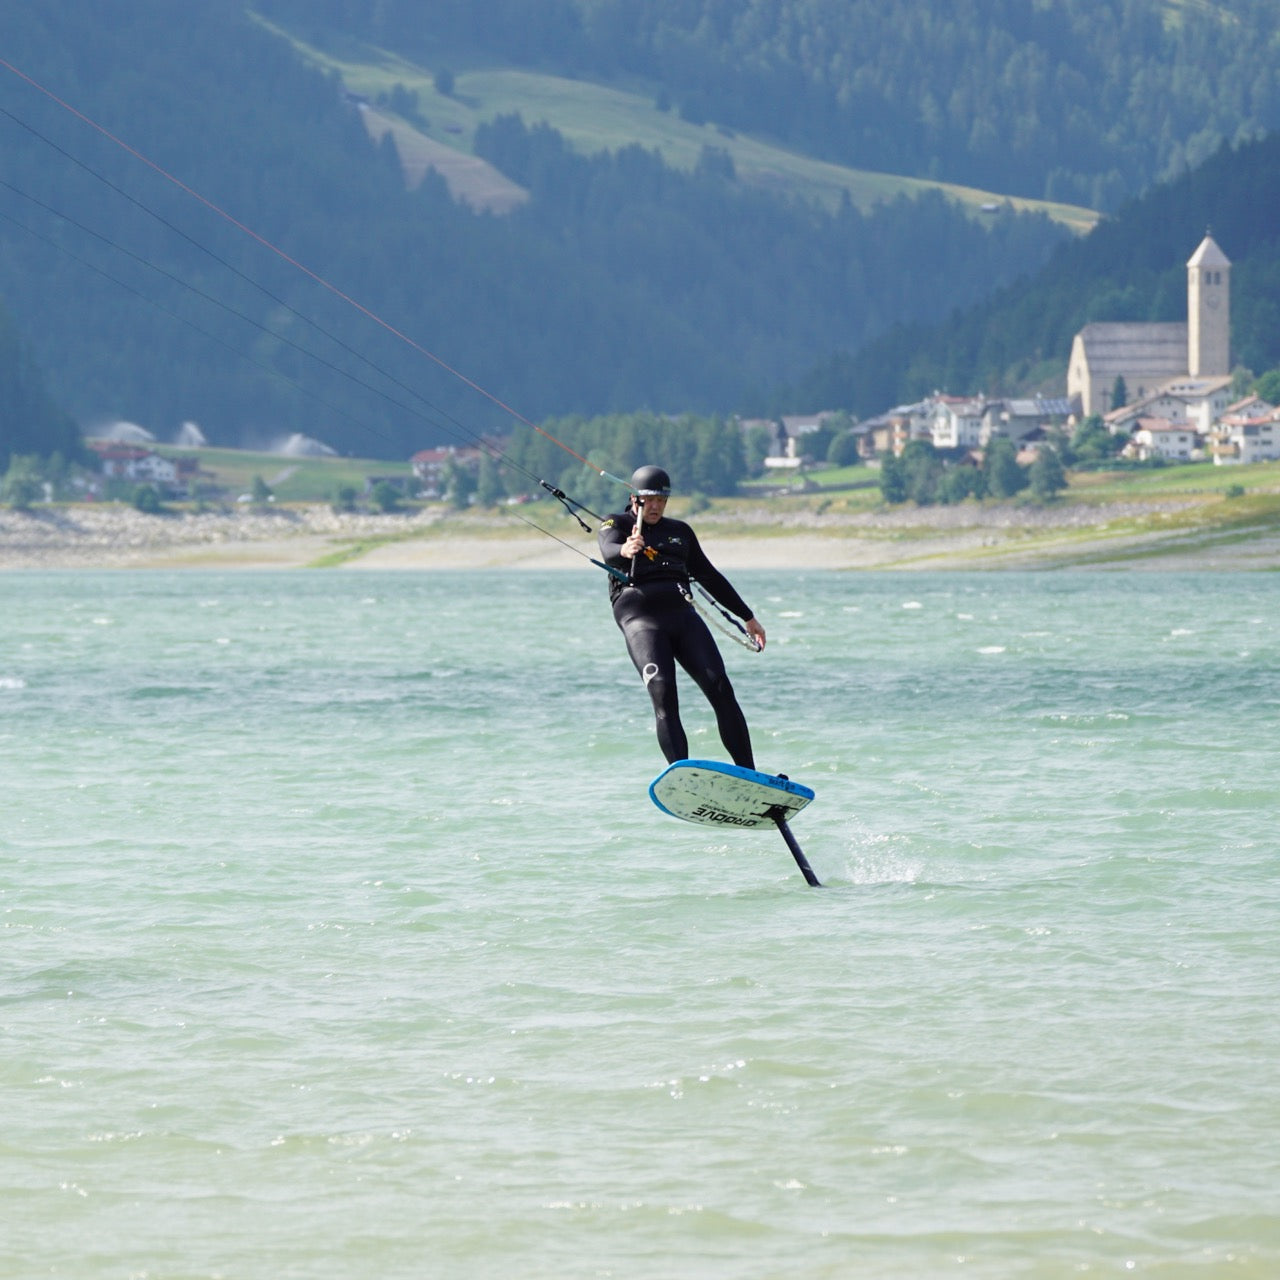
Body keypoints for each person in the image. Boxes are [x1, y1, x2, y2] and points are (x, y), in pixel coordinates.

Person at [598, 465, 766, 768]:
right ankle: (681, 773)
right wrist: (625, 549)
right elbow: (608, 549)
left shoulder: (679, 531)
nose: (655, 507)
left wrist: (748, 617)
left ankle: (749, 773)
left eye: (661, 501)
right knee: (664, 693)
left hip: (683, 616)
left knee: (721, 688)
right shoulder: (618, 523)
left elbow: (710, 576)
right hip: (641, 619)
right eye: (649, 500)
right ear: (634, 498)